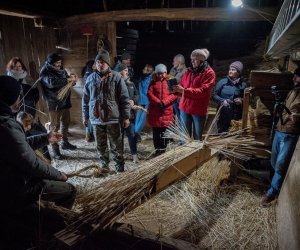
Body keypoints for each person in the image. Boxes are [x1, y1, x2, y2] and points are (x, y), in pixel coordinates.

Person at [0, 75, 76, 221]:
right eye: (17, 95)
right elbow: (31, 164)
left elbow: (17, 147)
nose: (20, 99)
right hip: (12, 187)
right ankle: (54, 230)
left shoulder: (4, 120)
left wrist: (45, 138)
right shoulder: (6, 125)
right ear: (9, 97)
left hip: (6, 181)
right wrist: (59, 175)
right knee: (69, 190)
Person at [82, 50, 130, 172]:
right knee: (100, 146)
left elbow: (124, 98)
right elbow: (85, 100)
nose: (100, 64)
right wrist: (85, 116)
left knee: (116, 145)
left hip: (112, 118)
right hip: (96, 119)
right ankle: (104, 167)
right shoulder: (90, 79)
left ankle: (119, 167)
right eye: (98, 62)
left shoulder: (116, 77)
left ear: (108, 63)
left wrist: (126, 117)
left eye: (103, 62)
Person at [260, 68, 300, 207]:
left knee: (281, 164)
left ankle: (271, 193)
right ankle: (273, 185)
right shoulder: (292, 91)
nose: (294, 79)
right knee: (274, 161)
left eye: (297, 77)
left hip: (291, 132)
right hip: (280, 129)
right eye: (294, 76)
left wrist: (297, 117)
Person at [40, 53, 77, 160]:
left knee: (65, 122)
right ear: (51, 63)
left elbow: (68, 83)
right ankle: (55, 150)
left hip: (64, 102)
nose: (59, 64)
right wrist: (68, 80)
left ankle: (65, 142)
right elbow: (51, 83)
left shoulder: (62, 71)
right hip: (54, 103)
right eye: (57, 63)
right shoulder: (45, 71)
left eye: (60, 62)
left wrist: (73, 81)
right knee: (54, 127)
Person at [172, 48, 216, 140]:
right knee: (184, 136)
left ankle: (196, 153)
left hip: (198, 109)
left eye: (195, 59)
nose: (192, 61)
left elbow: (203, 91)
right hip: (184, 107)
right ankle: (184, 152)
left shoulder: (209, 73)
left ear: (202, 60)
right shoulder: (188, 71)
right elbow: (182, 84)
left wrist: (184, 91)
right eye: (191, 59)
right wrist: (176, 89)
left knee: (197, 137)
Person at [147, 64, 177, 156]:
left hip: (166, 111)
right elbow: (149, 93)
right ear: (156, 73)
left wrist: (164, 102)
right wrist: (157, 102)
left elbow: (175, 94)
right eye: (159, 74)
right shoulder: (153, 82)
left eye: (162, 73)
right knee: (156, 132)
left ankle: (163, 150)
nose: (160, 76)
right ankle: (157, 150)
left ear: (165, 72)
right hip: (155, 111)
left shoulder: (171, 81)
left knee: (164, 132)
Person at [212, 61, 247, 133]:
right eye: (230, 69)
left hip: (236, 114)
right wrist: (222, 101)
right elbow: (214, 95)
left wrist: (241, 101)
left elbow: (247, 99)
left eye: (233, 70)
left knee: (234, 134)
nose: (230, 71)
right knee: (222, 132)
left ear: (238, 72)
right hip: (223, 112)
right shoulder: (222, 82)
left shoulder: (243, 85)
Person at [117, 63, 139, 163]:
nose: (126, 72)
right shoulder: (115, 84)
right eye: (124, 70)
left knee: (132, 134)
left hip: (130, 115)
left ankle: (134, 154)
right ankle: (119, 155)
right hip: (118, 115)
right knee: (119, 136)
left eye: (126, 70)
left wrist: (134, 101)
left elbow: (137, 94)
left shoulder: (131, 84)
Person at [135, 64, 153, 140]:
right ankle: (136, 133)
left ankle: (136, 133)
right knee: (141, 118)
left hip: (144, 100)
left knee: (139, 118)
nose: (143, 69)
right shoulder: (146, 78)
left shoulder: (145, 79)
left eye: (145, 69)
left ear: (148, 71)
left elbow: (145, 90)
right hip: (145, 100)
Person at [81, 60, 96, 142]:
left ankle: (89, 136)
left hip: (88, 99)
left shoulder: (86, 74)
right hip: (90, 100)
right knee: (89, 118)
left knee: (89, 118)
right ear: (92, 66)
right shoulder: (89, 75)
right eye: (95, 64)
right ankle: (89, 136)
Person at [169, 54, 187, 121]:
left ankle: (181, 130)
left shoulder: (186, 72)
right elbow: (169, 81)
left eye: (174, 61)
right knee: (171, 116)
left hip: (180, 99)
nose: (172, 63)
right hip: (171, 97)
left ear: (179, 62)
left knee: (181, 118)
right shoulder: (173, 70)